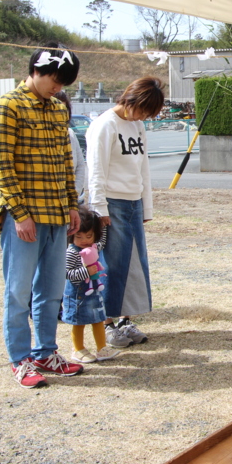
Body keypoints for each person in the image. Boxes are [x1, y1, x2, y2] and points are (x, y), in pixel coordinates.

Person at [0, 42, 84, 388]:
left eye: (63, 82)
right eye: (55, 79)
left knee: (51, 290)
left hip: (58, 214)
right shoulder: (7, 106)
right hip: (24, 217)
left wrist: (72, 205)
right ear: (36, 70)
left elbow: (64, 163)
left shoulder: (59, 111)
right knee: (18, 292)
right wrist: (19, 213)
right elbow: (2, 165)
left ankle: (46, 352)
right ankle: (20, 359)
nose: (58, 87)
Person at [85, 77, 165, 347]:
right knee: (111, 265)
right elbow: (95, 169)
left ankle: (125, 320)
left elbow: (143, 167)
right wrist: (99, 208)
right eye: (144, 110)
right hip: (112, 202)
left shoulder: (137, 125)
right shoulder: (104, 125)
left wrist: (146, 204)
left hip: (132, 202)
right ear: (132, 101)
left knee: (134, 265)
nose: (144, 117)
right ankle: (106, 323)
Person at [64, 206, 121, 363]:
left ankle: (101, 348)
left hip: (94, 292)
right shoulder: (71, 252)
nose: (85, 241)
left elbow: (101, 241)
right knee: (78, 322)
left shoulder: (93, 246)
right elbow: (67, 274)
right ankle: (78, 349)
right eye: (79, 237)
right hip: (77, 294)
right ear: (71, 235)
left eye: (89, 236)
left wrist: (103, 224)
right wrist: (86, 271)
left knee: (98, 319)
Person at [54, 91, 87, 204]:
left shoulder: (70, 133)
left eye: (64, 109)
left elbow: (80, 166)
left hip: (73, 200)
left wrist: (74, 194)